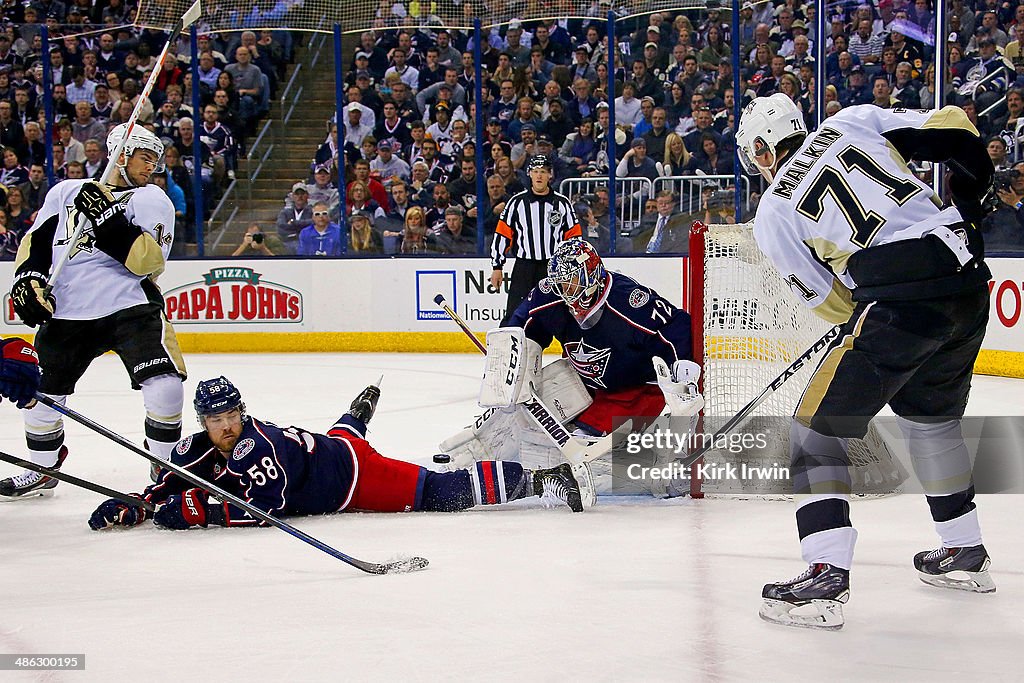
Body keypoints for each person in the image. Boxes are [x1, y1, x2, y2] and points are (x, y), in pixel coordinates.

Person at [735, 94, 995, 630]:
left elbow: (830, 300)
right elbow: (954, 128)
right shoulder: (850, 119)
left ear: (763, 150)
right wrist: (972, 196)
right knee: (931, 420)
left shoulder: (774, 211)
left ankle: (825, 571)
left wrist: (871, 306)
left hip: (899, 304)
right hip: (967, 281)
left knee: (815, 430)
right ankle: (963, 549)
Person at [87, 377, 595, 530]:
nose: (223, 428)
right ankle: (357, 411)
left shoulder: (251, 446)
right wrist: (142, 503)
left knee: (435, 491)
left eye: (230, 417)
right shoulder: (200, 446)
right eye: (214, 421)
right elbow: (173, 479)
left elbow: (269, 510)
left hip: (350, 476)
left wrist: (200, 513)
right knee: (343, 431)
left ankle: (544, 479)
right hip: (329, 445)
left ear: (243, 412)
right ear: (203, 423)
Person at [4, 123, 186, 498]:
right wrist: (28, 278)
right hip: (67, 308)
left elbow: (148, 263)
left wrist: (107, 221)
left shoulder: (152, 199)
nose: (152, 166)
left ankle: (167, 470)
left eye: (156, 159)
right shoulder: (65, 191)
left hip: (130, 306)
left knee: (165, 386)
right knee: (39, 393)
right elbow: (36, 242)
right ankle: (43, 468)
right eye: (145, 156)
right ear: (121, 154)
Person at [490, 154, 581, 324]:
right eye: (536, 171)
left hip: (553, 268)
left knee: (561, 315)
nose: (539, 175)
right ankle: (507, 348)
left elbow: (574, 238)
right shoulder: (516, 203)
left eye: (543, 172)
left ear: (550, 175)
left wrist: (573, 269)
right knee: (514, 314)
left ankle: (572, 349)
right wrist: (497, 266)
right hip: (524, 267)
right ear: (529, 174)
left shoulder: (562, 203)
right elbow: (502, 234)